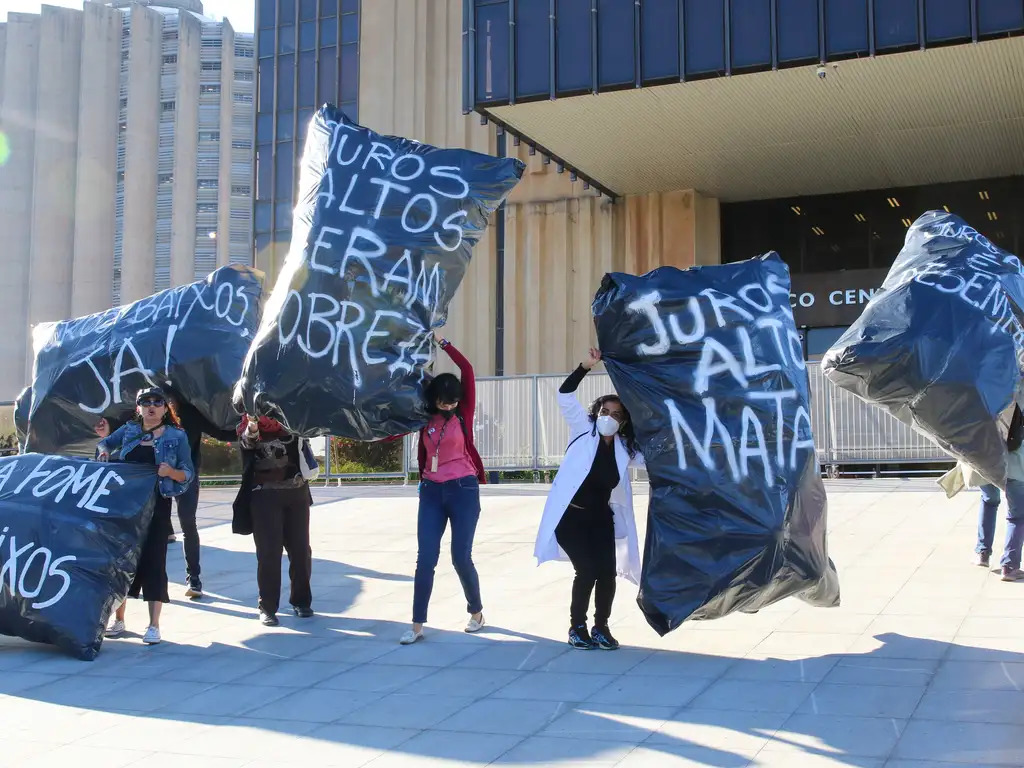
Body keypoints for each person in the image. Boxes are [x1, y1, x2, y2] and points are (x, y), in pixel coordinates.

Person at [534, 348, 644, 650]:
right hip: (571, 518)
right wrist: (585, 367)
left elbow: (660, 460)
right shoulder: (583, 431)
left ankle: (601, 627)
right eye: (605, 411)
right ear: (597, 413)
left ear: (623, 421)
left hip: (600, 520)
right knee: (587, 570)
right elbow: (565, 395)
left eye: (616, 414)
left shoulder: (625, 449)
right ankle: (576, 627)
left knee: (607, 573)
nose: (609, 417)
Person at [400, 338, 486, 645]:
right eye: (444, 402)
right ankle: (416, 625)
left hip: (463, 488)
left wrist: (443, 342)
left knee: (460, 557)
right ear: (434, 399)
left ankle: (476, 612)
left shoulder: (463, 412)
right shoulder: (423, 417)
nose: (448, 407)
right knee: (426, 558)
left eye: (452, 402)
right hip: (431, 491)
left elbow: (467, 369)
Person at [98, 387, 194, 645]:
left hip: (157, 506)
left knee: (154, 561)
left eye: (157, 402)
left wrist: (171, 473)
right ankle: (119, 620)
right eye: (145, 402)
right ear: (138, 407)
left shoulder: (177, 436)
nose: (151, 406)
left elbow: (188, 473)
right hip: (126, 506)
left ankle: (153, 625)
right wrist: (105, 450)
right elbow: (105, 443)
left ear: (165, 408)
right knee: (122, 562)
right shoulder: (129, 430)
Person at [233, 414, 314, 626]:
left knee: (301, 549)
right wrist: (252, 423)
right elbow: (247, 441)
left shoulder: (293, 420)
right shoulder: (250, 424)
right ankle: (267, 607)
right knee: (269, 552)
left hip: (297, 493)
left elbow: (313, 427)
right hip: (264, 495)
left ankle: (302, 601)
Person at [167, 394, 238, 599]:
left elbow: (220, 433)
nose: (166, 403)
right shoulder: (152, 415)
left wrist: (246, 429)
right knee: (155, 526)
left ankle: (194, 578)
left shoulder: (190, 413)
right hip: (159, 476)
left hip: (186, 477)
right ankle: (152, 580)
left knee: (188, 524)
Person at [976, 405, 1024, 581]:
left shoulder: (987, 387)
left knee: (989, 500)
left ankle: (983, 553)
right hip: (1015, 463)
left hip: (984, 458)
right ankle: (1009, 566)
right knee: (1017, 516)